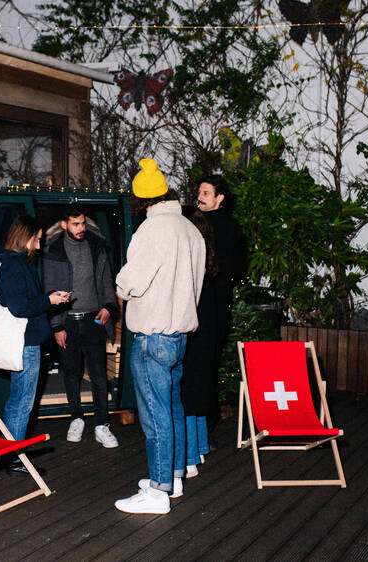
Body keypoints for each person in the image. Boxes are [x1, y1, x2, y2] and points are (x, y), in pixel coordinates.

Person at [114, 158, 206, 515]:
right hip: (180, 335)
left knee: (155, 413)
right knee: (173, 405)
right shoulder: (189, 229)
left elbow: (129, 282)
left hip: (153, 335)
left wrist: (120, 284)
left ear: (141, 201)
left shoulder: (151, 231)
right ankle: (175, 475)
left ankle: (157, 490)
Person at [0, 214, 70, 476]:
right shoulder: (14, 265)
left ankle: (11, 452)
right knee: (22, 402)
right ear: (24, 238)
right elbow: (20, 308)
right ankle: (14, 458)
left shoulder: (5, 262)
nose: (39, 246)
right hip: (25, 342)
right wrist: (49, 301)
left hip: (22, 340)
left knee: (18, 400)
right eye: (37, 240)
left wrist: (46, 299)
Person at [43, 206, 119, 448]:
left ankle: (101, 424)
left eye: (83, 223)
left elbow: (106, 280)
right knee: (72, 374)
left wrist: (108, 306)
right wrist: (56, 326)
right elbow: (49, 289)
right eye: (75, 224)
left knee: (98, 375)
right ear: (64, 224)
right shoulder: (52, 251)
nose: (81, 228)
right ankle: (76, 417)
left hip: (94, 320)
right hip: (67, 322)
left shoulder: (96, 246)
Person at [196, 174, 248, 445]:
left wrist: (219, 281)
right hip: (195, 302)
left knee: (209, 361)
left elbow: (237, 266)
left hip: (215, 304)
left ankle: (206, 421)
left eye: (206, 193)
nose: (200, 197)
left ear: (220, 198)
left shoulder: (229, 227)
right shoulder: (193, 222)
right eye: (200, 192)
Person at [180, 207, 219, 478]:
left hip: (192, 333)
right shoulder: (209, 260)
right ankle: (200, 446)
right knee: (198, 389)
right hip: (207, 334)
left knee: (185, 395)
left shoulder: (191, 263)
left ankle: (190, 455)